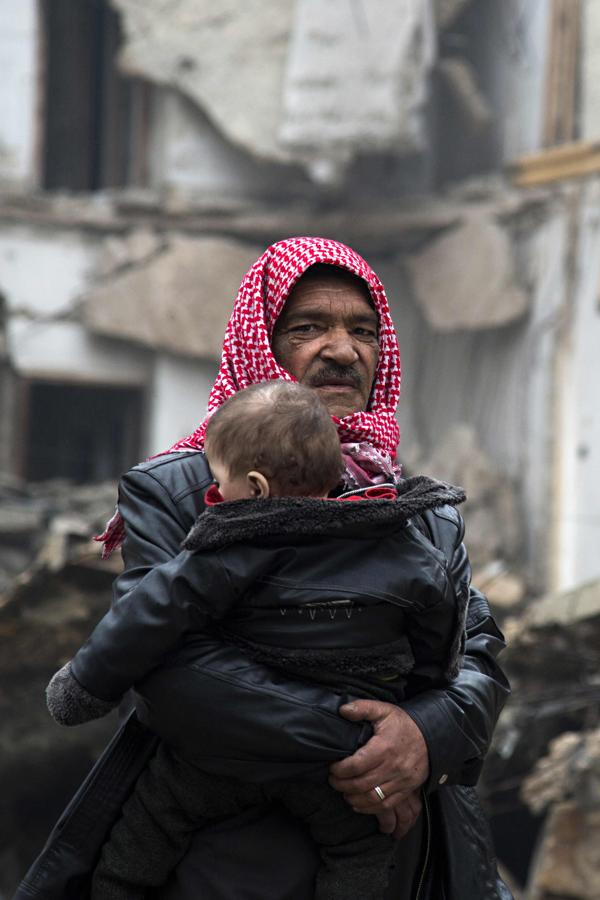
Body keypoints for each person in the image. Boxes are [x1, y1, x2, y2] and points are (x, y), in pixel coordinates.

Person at [16, 236, 512, 900]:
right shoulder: (179, 492)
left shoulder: (413, 504)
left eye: (363, 331)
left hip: (398, 856)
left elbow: (476, 649)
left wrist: (427, 735)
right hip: (224, 856)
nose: (343, 350)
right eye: (310, 327)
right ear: (260, 343)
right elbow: (171, 671)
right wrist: (371, 743)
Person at [46, 380, 468, 900]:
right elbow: (445, 625)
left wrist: (83, 684)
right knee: (361, 853)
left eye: (217, 485)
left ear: (255, 488)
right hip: (339, 775)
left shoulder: (228, 547)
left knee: (147, 825)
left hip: (215, 764)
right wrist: (411, 714)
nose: (212, 498)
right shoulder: (395, 531)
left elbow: (149, 617)